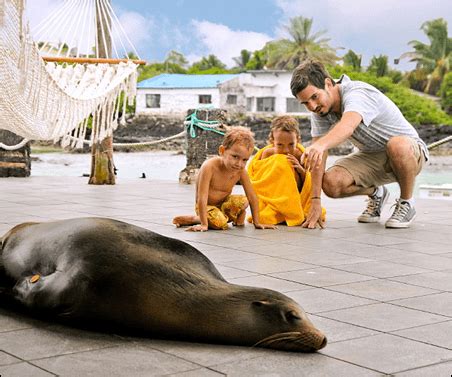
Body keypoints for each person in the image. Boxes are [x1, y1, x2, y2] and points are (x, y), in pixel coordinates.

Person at [290, 59, 428, 228]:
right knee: (331, 183)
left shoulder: (358, 93)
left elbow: (347, 126)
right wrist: (315, 201)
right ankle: (376, 193)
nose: (312, 106)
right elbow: (319, 158)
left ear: (328, 83)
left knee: (397, 144)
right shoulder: (320, 112)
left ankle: (406, 202)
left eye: (314, 97)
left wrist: (320, 145)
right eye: (305, 103)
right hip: (371, 156)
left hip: (410, 152)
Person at [172, 126, 276, 232]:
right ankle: (196, 219)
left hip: (223, 205)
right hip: (206, 207)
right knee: (220, 223)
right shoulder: (209, 167)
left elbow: (252, 196)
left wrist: (257, 222)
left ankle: (229, 217)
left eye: (245, 160)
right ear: (222, 150)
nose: (239, 164)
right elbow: (201, 198)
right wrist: (204, 224)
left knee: (243, 201)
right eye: (235, 157)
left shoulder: (240, 171)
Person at [247, 115, 326, 227]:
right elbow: (262, 181)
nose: (286, 150)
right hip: (273, 195)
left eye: (291, 144)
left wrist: (300, 169)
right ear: (272, 141)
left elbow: (307, 183)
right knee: (282, 162)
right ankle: (279, 210)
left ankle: (290, 210)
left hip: (295, 196)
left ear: (298, 140)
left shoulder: (300, 154)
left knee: (287, 164)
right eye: (280, 145)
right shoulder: (267, 153)